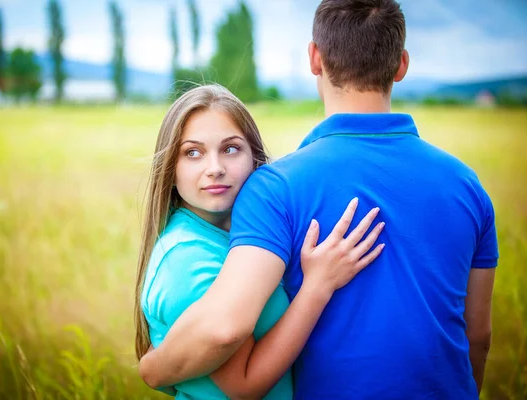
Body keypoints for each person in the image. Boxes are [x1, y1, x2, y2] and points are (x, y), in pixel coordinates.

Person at [138, 0, 499, 399]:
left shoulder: (274, 189)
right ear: (401, 64)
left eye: (230, 150)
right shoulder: (468, 187)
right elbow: (478, 334)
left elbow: (226, 329)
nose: (215, 167)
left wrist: (155, 368)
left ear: (315, 57)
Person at [134, 84, 385, 399]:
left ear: (255, 158)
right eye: (193, 153)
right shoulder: (187, 260)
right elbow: (244, 386)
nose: (215, 169)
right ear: (170, 170)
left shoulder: (243, 238)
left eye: (230, 149)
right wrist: (317, 286)